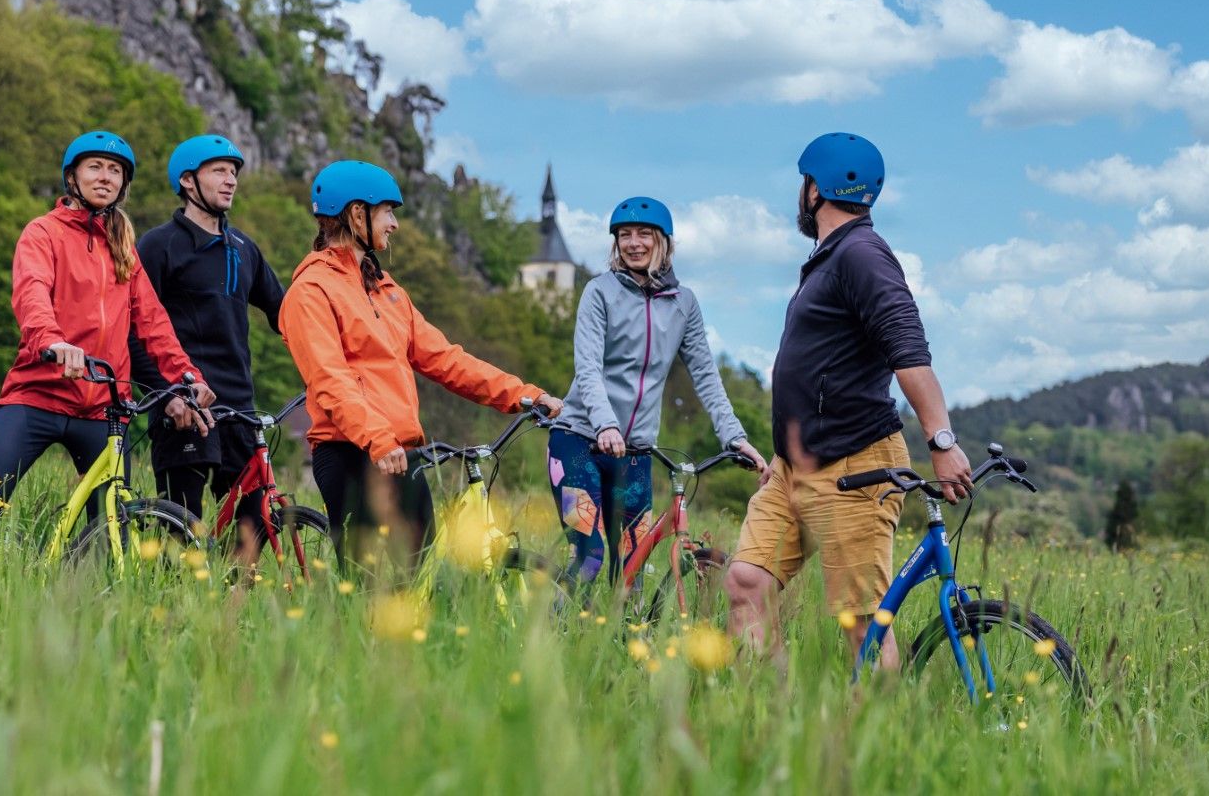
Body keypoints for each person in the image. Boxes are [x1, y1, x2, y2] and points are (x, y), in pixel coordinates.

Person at [723, 132, 972, 666]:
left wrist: (942, 441)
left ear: (815, 190)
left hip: (855, 463)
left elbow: (908, 347)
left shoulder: (861, 254)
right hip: (797, 465)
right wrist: (787, 449)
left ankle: (880, 743)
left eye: (803, 182)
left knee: (862, 622)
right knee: (746, 582)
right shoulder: (830, 258)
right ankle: (773, 724)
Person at [277, 159, 563, 568]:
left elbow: (447, 360)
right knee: (371, 588)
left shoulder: (386, 290)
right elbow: (329, 379)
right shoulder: (311, 291)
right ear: (357, 213)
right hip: (351, 452)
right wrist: (378, 438)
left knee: (422, 578)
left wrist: (522, 395)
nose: (393, 224)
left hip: (399, 454)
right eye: (387, 212)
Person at [0, 131, 214, 528]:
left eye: (115, 171)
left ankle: (92, 589)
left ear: (123, 184)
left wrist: (186, 376)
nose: (105, 177)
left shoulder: (123, 248)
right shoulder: (43, 233)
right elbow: (32, 292)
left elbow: (152, 321)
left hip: (103, 408)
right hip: (38, 393)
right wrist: (52, 341)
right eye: (95, 166)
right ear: (72, 177)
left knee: (112, 528)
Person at [547, 196, 770, 587]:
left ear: (663, 241)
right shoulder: (599, 292)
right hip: (577, 443)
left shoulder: (683, 303)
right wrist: (605, 425)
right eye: (625, 235)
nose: (633, 243)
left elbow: (704, 372)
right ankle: (550, 639)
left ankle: (623, 644)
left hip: (635, 456)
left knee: (632, 571)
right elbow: (588, 368)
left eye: (644, 234)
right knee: (589, 557)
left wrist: (734, 437)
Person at [128, 134, 288, 553]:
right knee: (183, 539)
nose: (230, 180)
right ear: (187, 181)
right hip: (184, 407)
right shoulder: (158, 244)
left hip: (240, 409)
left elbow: (285, 314)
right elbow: (132, 330)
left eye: (234, 172)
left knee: (251, 536)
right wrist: (166, 397)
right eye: (219, 170)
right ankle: (175, 614)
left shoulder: (244, 249)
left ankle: (234, 617)